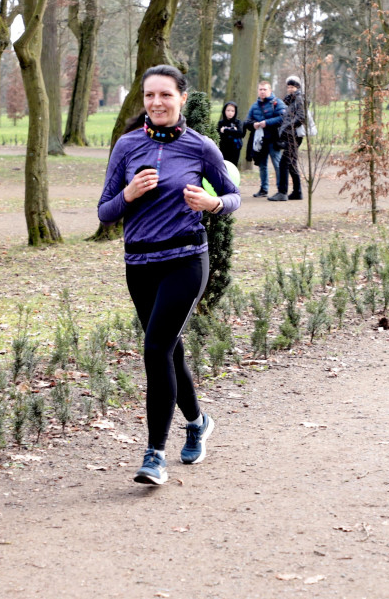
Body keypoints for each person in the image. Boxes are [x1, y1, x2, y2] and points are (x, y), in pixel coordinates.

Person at [97, 65, 241, 486]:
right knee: (169, 350)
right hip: (139, 265)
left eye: (165, 95)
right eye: (149, 96)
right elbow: (105, 211)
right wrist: (128, 194)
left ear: (181, 98)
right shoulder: (126, 146)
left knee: (155, 347)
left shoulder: (201, 147)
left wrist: (211, 205)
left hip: (185, 260)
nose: (156, 102)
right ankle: (198, 422)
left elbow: (233, 196)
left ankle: (154, 454)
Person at [243, 80, 285, 197]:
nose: (262, 92)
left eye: (264, 89)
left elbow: (283, 118)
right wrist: (253, 125)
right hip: (260, 142)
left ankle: (281, 190)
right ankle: (263, 189)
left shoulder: (277, 103)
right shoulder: (254, 106)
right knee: (262, 166)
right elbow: (247, 121)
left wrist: (267, 122)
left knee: (277, 164)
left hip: (274, 139)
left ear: (270, 91)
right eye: (260, 89)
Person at [270, 76, 305, 201]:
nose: (290, 89)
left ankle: (282, 192)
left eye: (293, 87)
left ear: (297, 87)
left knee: (284, 163)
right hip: (291, 135)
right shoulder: (291, 100)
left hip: (293, 136)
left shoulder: (299, 99)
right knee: (292, 164)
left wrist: (288, 127)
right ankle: (297, 192)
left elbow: (301, 117)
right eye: (289, 87)